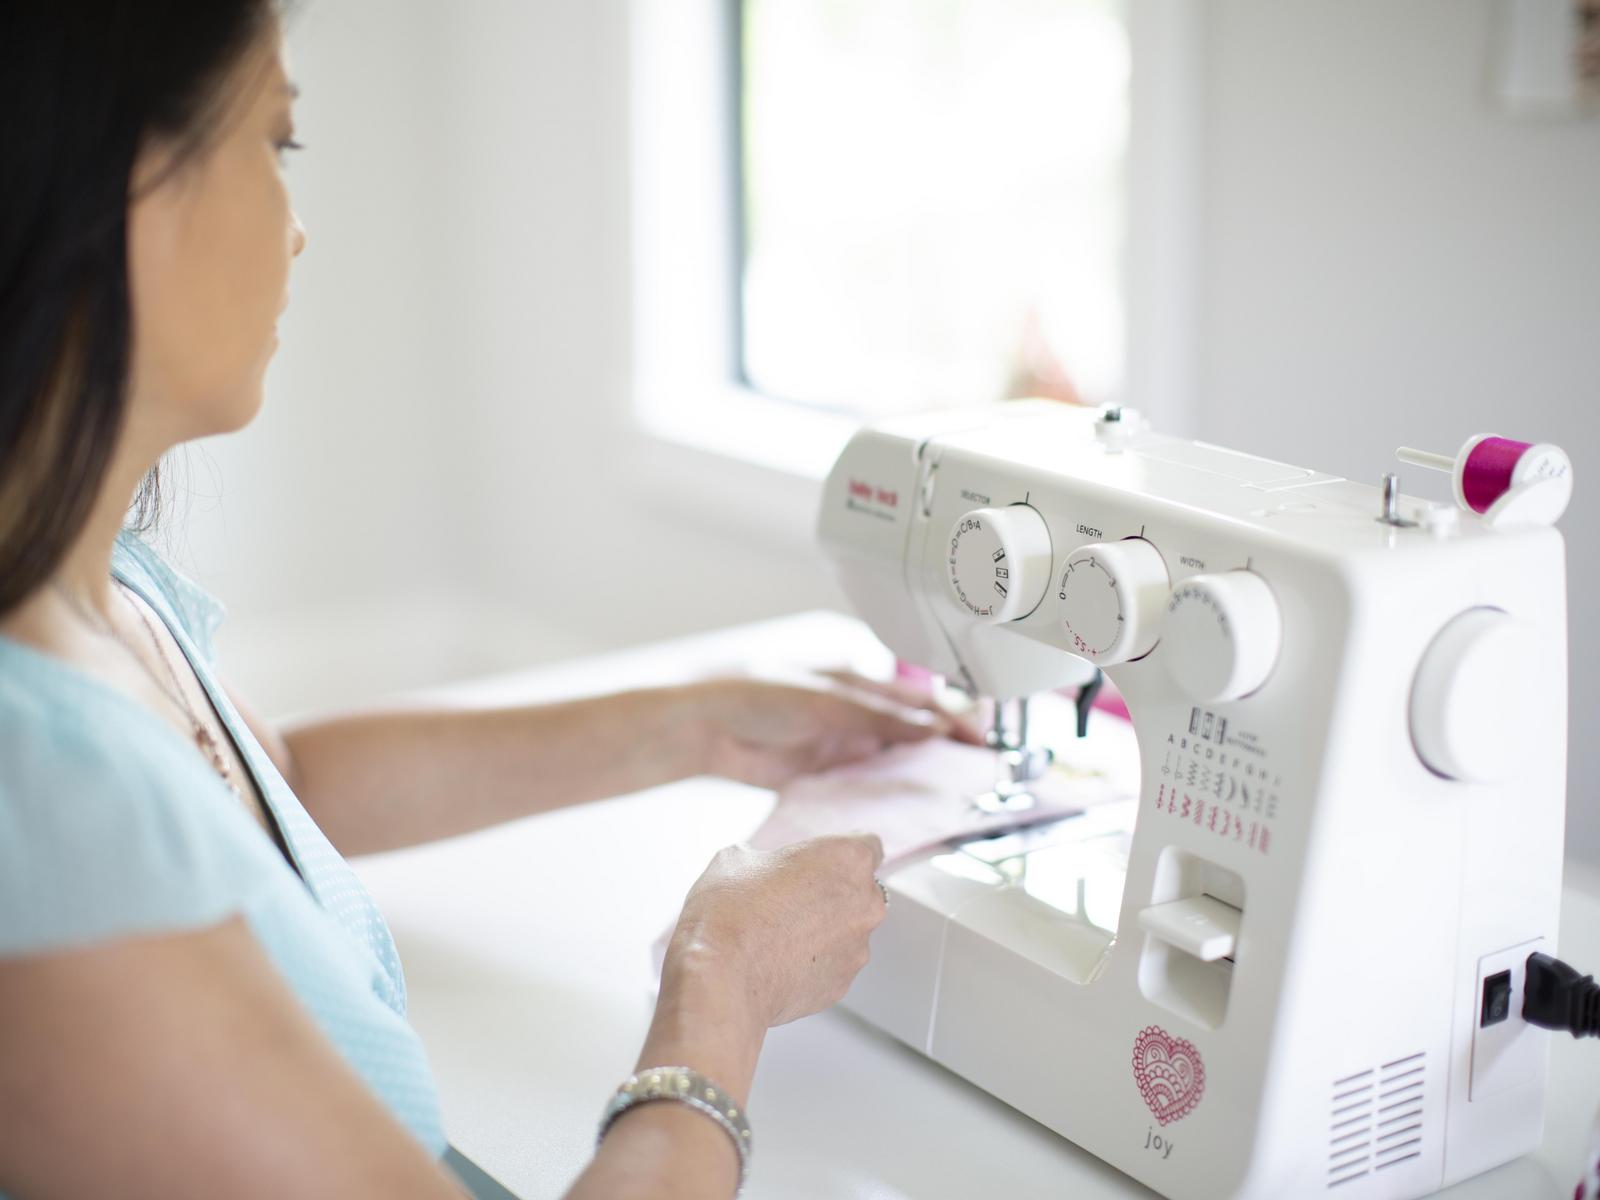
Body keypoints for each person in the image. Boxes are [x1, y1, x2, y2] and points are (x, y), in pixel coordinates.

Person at [0, 5, 979, 1197]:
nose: (299, 230)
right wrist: (721, 987)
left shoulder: (92, 587)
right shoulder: (41, 813)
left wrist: (692, 722)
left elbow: (270, 794)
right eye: (276, 142)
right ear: (119, 191)